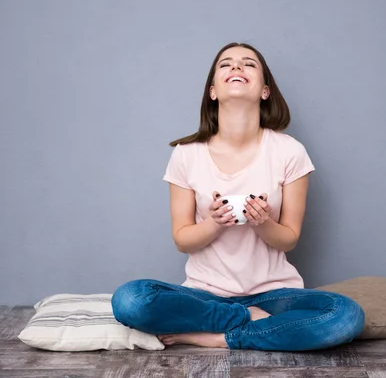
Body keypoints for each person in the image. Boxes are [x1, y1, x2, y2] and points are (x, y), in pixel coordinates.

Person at [111, 42, 365, 351]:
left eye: (249, 63)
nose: (236, 67)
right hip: (205, 294)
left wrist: (263, 223)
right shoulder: (186, 155)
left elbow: (288, 239)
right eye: (225, 64)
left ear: (265, 91)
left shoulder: (289, 151)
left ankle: (222, 337)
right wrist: (215, 223)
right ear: (213, 91)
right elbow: (182, 240)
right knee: (130, 300)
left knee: (346, 315)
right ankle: (243, 317)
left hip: (274, 294)